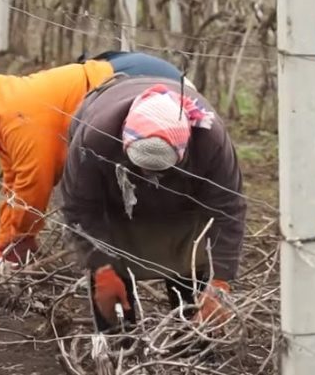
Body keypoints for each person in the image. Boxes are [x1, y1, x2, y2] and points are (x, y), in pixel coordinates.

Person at [0, 51, 192, 268]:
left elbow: (34, 183)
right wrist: (3, 244)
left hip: (139, 80)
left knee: (157, 161)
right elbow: (13, 183)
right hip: (123, 73)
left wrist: (20, 238)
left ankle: (171, 250)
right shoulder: (5, 110)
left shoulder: (19, 117)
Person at [59, 75, 246, 332]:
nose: (149, 178)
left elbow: (228, 210)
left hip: (183, 207)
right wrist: (100, 266)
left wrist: (221, 283)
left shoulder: (210, 141)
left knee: (191, 258)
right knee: (109, 269)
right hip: (115, 199)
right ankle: (117, 345)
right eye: (141, 167)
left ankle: (193, 343)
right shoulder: (95, 137)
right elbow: (81, 208)